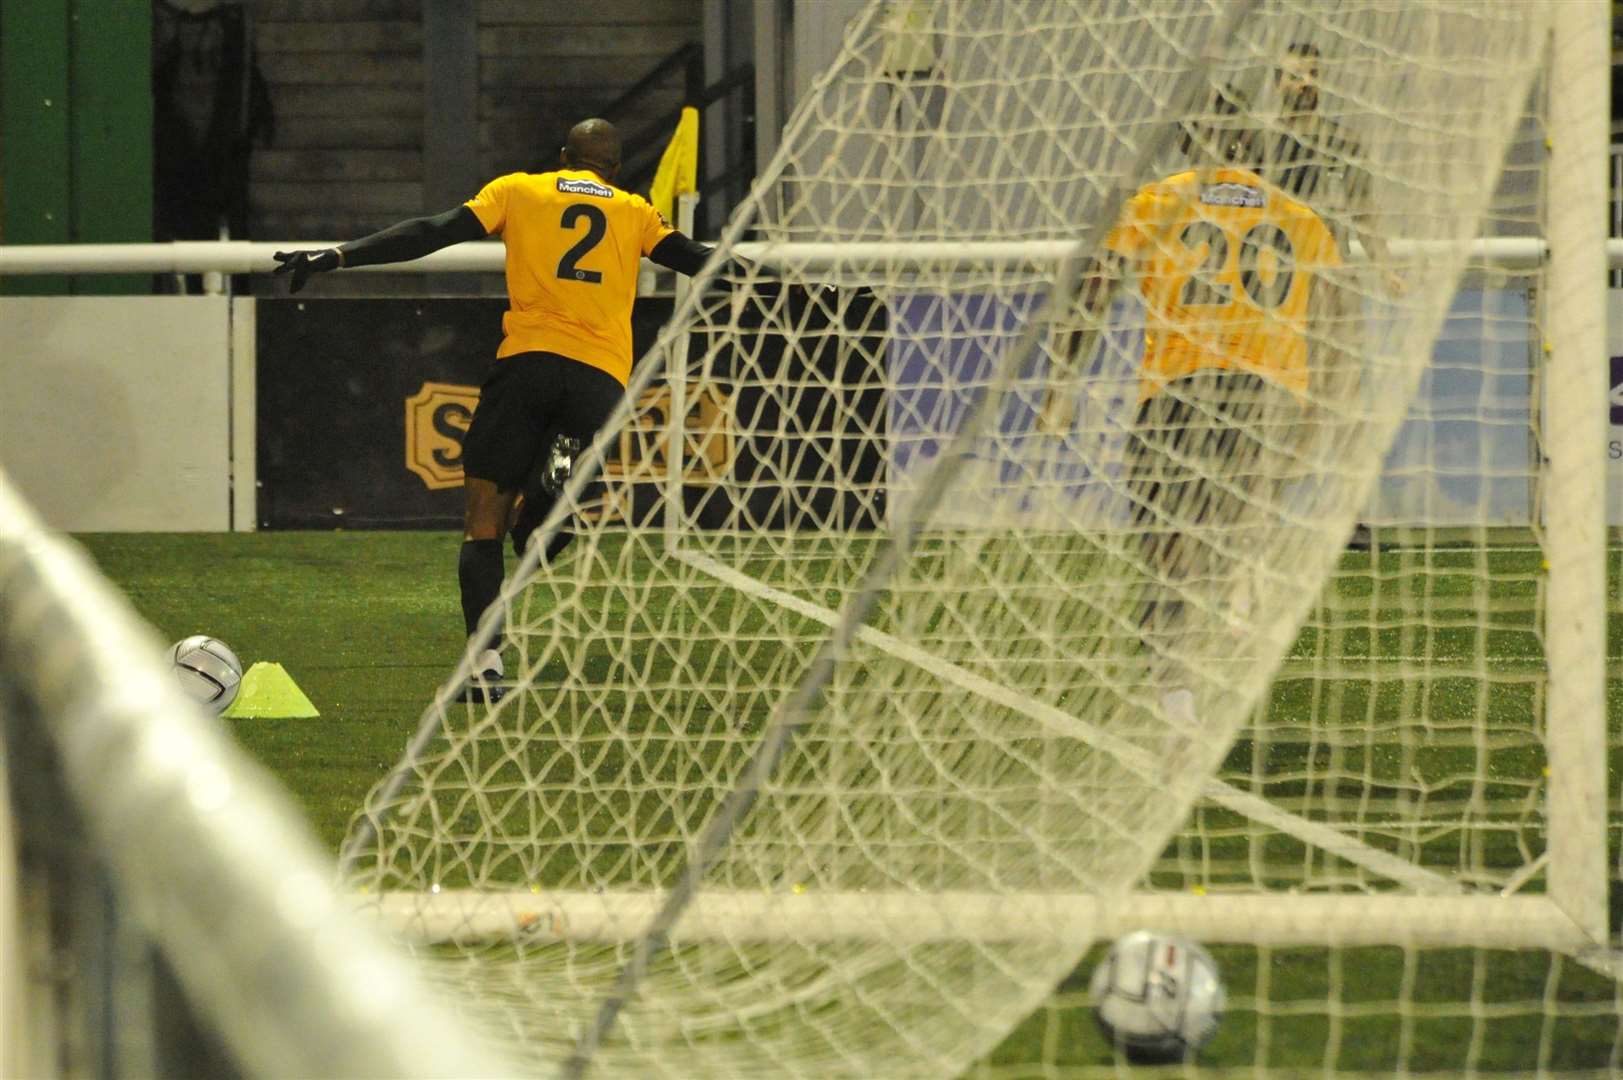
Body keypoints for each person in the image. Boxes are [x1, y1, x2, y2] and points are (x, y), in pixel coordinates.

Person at [273, 118, 720, 702]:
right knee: (541, 517)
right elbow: (701, 260)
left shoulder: (520, 189)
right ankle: (551, 494)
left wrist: (335, 257)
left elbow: (432, 232)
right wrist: (800, 284)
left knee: (483, 524)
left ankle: (486, 667)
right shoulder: (635, 210)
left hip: (526, 367)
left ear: (563, 156)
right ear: (614, 168)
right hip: (599, 381)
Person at [1071, 86, 1342, 731]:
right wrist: (1324, 409)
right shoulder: (1299, 216)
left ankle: (1178, 702)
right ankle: (1237, 592)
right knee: (1228, 531)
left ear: (1187, 142)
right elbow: (1335, 321)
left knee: (1167, 549)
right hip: (1261, 394)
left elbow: (1094, 289)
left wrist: (1063, 383)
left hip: (1177, 393)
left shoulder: (1158, 202)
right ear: (1250, 140)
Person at [1266, 41, 1399, 551]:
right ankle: (1266, 511)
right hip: (1278, 293)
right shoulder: (1263, 146)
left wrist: (1384, 264)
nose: (1304, 84)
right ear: (1276, 82)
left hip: (1336, 289)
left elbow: (1364, 207)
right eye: (1294, 75)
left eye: (1312, 74)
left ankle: (1349, 519)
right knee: (1281, 408)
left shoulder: (1341, 142)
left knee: (1347, 406)